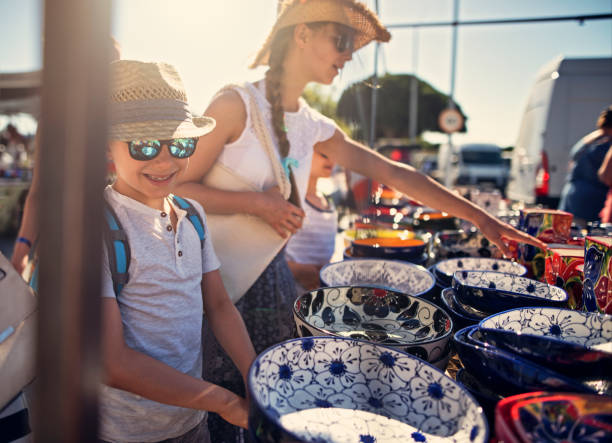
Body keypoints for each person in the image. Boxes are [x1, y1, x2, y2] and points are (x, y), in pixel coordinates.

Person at [173, 1, 546, 440]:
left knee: (262, 413)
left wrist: (483, 220)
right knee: (219, 409)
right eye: (343, 40)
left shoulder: (313, 124)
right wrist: (258, 205)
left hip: (271, 286)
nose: (349, 55)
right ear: (302, 33)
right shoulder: (236, 102)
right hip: (211, 289)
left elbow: (395, 174)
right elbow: (176, 189)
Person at [99, 60, 256, 443]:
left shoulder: (192, 215)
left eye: (180, 143)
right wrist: (222, 401)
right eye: (144, 144)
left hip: (191, 423)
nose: (165, 160)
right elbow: (112, 362)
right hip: (125, 432)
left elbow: (218, 306)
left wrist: (256, 377)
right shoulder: (96, 228)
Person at [11, 37, 122, 274]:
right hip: (60, 249)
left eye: (113, 63)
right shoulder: (52, 122)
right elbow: (40, 192)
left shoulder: (129, 121)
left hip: (121, 251)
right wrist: (21, 251)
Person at [285, 150, 338, 292]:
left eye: (334, 153)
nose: (331, 159)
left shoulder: (328, 202)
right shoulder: (291, 201)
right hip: (292, 294)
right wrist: (298, 271)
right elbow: (270, 258)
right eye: (323, 153)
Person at [559, 105, 612, 225]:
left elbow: (572, 158)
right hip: (590, 202)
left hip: (571, 195)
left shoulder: (590, 139)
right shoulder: (606, 144)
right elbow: (606, 176)